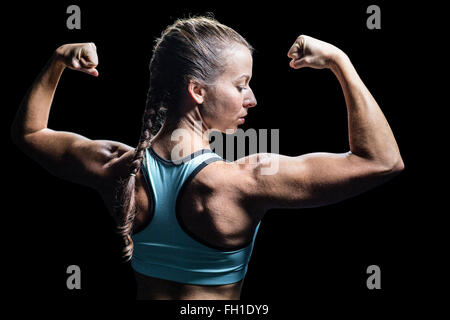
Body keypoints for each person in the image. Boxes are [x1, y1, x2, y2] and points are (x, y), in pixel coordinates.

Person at [11, 16, 404, 300]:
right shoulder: (245, 180)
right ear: (197, 91)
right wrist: (340, 62)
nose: (251, 99)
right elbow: (381, 161)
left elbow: (30, 134)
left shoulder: (113, 165)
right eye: (241, 85)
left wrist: (59, 59)